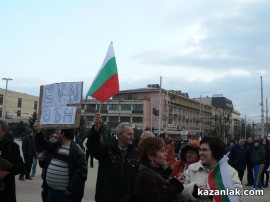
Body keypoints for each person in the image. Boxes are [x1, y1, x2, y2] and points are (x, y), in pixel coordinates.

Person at [86, 113, 139, 202]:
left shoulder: (135, 153)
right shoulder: (107, 149)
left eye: (132, 134)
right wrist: (96, 129)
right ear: (119, 135)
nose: (132, 137)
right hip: (106, 197)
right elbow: (92, 146)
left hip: (126, 199)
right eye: (129, 134)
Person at [129, 137, 199, 202]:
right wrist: (176, 185)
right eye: (162, 151)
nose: (166, 154)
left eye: (192, 153)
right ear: (151, 156)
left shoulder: (154, 172)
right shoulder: (146, 176)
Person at [34, 121, 88, 202]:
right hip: (51, 191)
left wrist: (70, 188)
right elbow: (45, 144)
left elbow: (81, 173)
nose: (57, 135)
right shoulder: (57, 146)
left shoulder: (77, 152)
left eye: (59, 133)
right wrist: (38, 132)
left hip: (64, 194)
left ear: (62, 134)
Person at [181, 137, 243, 201]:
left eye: (204, 150)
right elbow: (181, 190)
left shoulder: (230, 172)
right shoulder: (192, 168)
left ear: (215, 151)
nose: (200, 153)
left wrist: (212, 195)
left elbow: (238, 197)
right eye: (200, 149)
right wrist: (195, 192)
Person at [0, 118, 24, 202]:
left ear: (4, 130)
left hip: (6, 191)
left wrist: (9, 169)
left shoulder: (13, 147)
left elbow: (21, 167)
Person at [38, 131, 60, 202]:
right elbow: (43, 165)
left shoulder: (60, 151)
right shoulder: (46, 150)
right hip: (46, 183)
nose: (53, 138)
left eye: (55, 137)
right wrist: (41, 160)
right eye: (52, 136)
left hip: (56, 184)